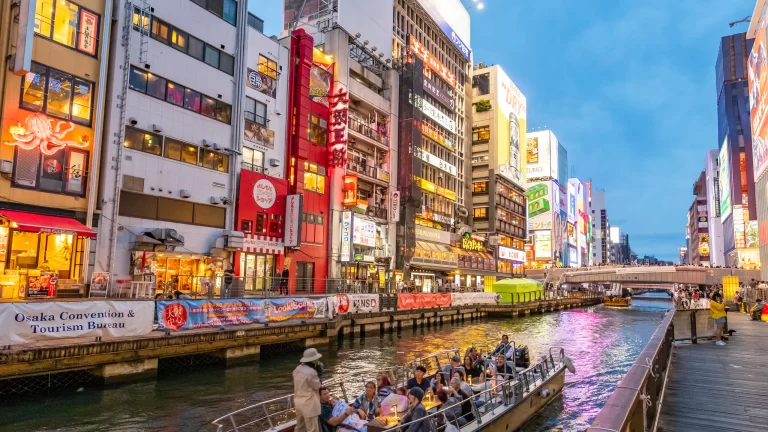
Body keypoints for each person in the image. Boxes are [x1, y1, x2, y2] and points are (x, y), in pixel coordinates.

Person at [293, 348, 324, 432]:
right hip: (309, 403)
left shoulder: (297, 369)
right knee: (312, 429)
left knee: (300, 427)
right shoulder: (311, 372)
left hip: (298, 401)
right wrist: (320, 375)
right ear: (314, 360)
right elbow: (317, 386)